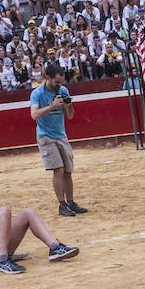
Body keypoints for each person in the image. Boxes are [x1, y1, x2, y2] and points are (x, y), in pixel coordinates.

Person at [30, 63, 86, 217]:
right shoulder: (37, 93)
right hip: (45, 136)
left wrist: (68, 105)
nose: (59, 86)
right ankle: (62, 205)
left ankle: (70, 202)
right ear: (48, 78)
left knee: (68, 170)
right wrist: (52, 106)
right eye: (57, 82)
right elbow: (34, 115)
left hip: (61, 134)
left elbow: (70, 115)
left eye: (61, 82)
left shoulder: (63, 90)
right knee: (59, 169)